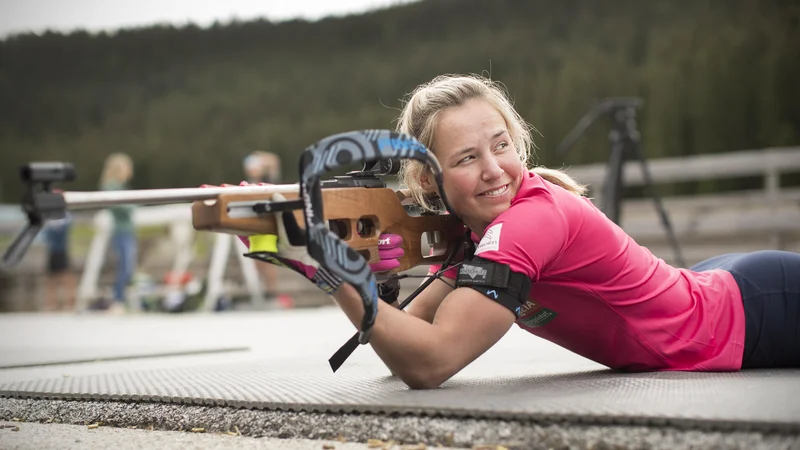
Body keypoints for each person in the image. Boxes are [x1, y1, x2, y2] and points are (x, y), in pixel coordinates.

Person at [234, 74, 800, 389]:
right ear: (429, 178)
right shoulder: (471, 235)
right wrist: (331, 262)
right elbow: (402, 346)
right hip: (715, 290)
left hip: (754, 308)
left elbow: (430, 364)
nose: (493, 170)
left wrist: (335, 272)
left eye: (501, 146)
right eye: (466, 158)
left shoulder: (528, 222)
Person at [242, 151, 294, 309]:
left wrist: (261, 156)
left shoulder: (269, 179)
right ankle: (263, 292)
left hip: (269, 226)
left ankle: (272, 292)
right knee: (258, 261)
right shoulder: (249, 183)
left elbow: (274, 161)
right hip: (256, 226)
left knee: (268, 259)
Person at [97, 153, 138, 312]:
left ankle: (124, 299)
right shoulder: (111, 185)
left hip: (128, 230)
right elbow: (124, 207)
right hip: (120, 231)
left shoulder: (121, 186)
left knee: (129, 267)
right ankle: (118, 300)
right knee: (124, 266)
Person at [42, 212, 77, 311]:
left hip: (62, 251)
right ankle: (51, 304)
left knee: (67, 277)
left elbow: (69, 220)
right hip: (52, 252)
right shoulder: (48, 219)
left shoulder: (65, 218)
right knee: (50, 280)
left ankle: (70, 304)